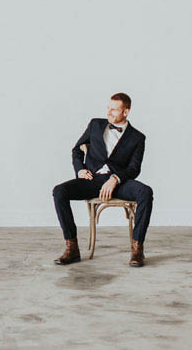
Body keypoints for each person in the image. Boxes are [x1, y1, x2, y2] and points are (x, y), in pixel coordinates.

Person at [52, 93, 153, 267]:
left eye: (114, 109)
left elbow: (134, 168)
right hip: (91, 180)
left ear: (126, 111)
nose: (109, 112)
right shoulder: (95, 125)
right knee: (59, 191)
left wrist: (116, 178)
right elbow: (76, 149)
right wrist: (80, 169)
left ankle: (137, 249)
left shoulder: (137, 138)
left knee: (146, 192)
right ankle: (72, 247)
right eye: (108, 108)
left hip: (119, 183)